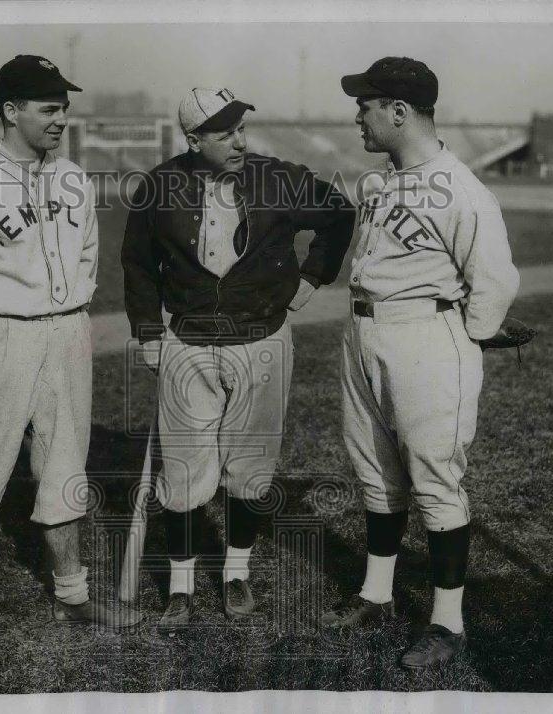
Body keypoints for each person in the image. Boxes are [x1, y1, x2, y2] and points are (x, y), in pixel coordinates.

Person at [0, 54, 138, 671]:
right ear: (10, 111)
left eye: (64, 107)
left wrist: (64, 311)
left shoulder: (72, 180)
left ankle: (72, 596)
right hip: (0, 337)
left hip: (66, 334)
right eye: (48, 107)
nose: (61, 119)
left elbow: (87, 254)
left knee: (66, 465)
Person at [120, 87, 354, 631]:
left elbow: (339, 215)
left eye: (241, 130)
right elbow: (137, 264)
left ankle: (236, 572)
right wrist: (148, 333)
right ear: (194, 139)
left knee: (250, 469)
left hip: (262, 340)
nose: (239, 142)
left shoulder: (279, 177)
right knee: (181, 470)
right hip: (188, 342)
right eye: (225, 134)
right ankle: (180, 585)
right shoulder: (159, 186)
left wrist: (312, 277)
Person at [323, 57, 520, 669]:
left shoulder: (462, 188)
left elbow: (494, 279)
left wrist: (471, 336)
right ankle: (377, 593)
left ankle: (446, 622)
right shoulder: (380, 181)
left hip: (426, 338)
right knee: (376, 472)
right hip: (364, 334)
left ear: (399, 111)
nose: (359, 114)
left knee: (435, 479)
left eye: (368, 103)